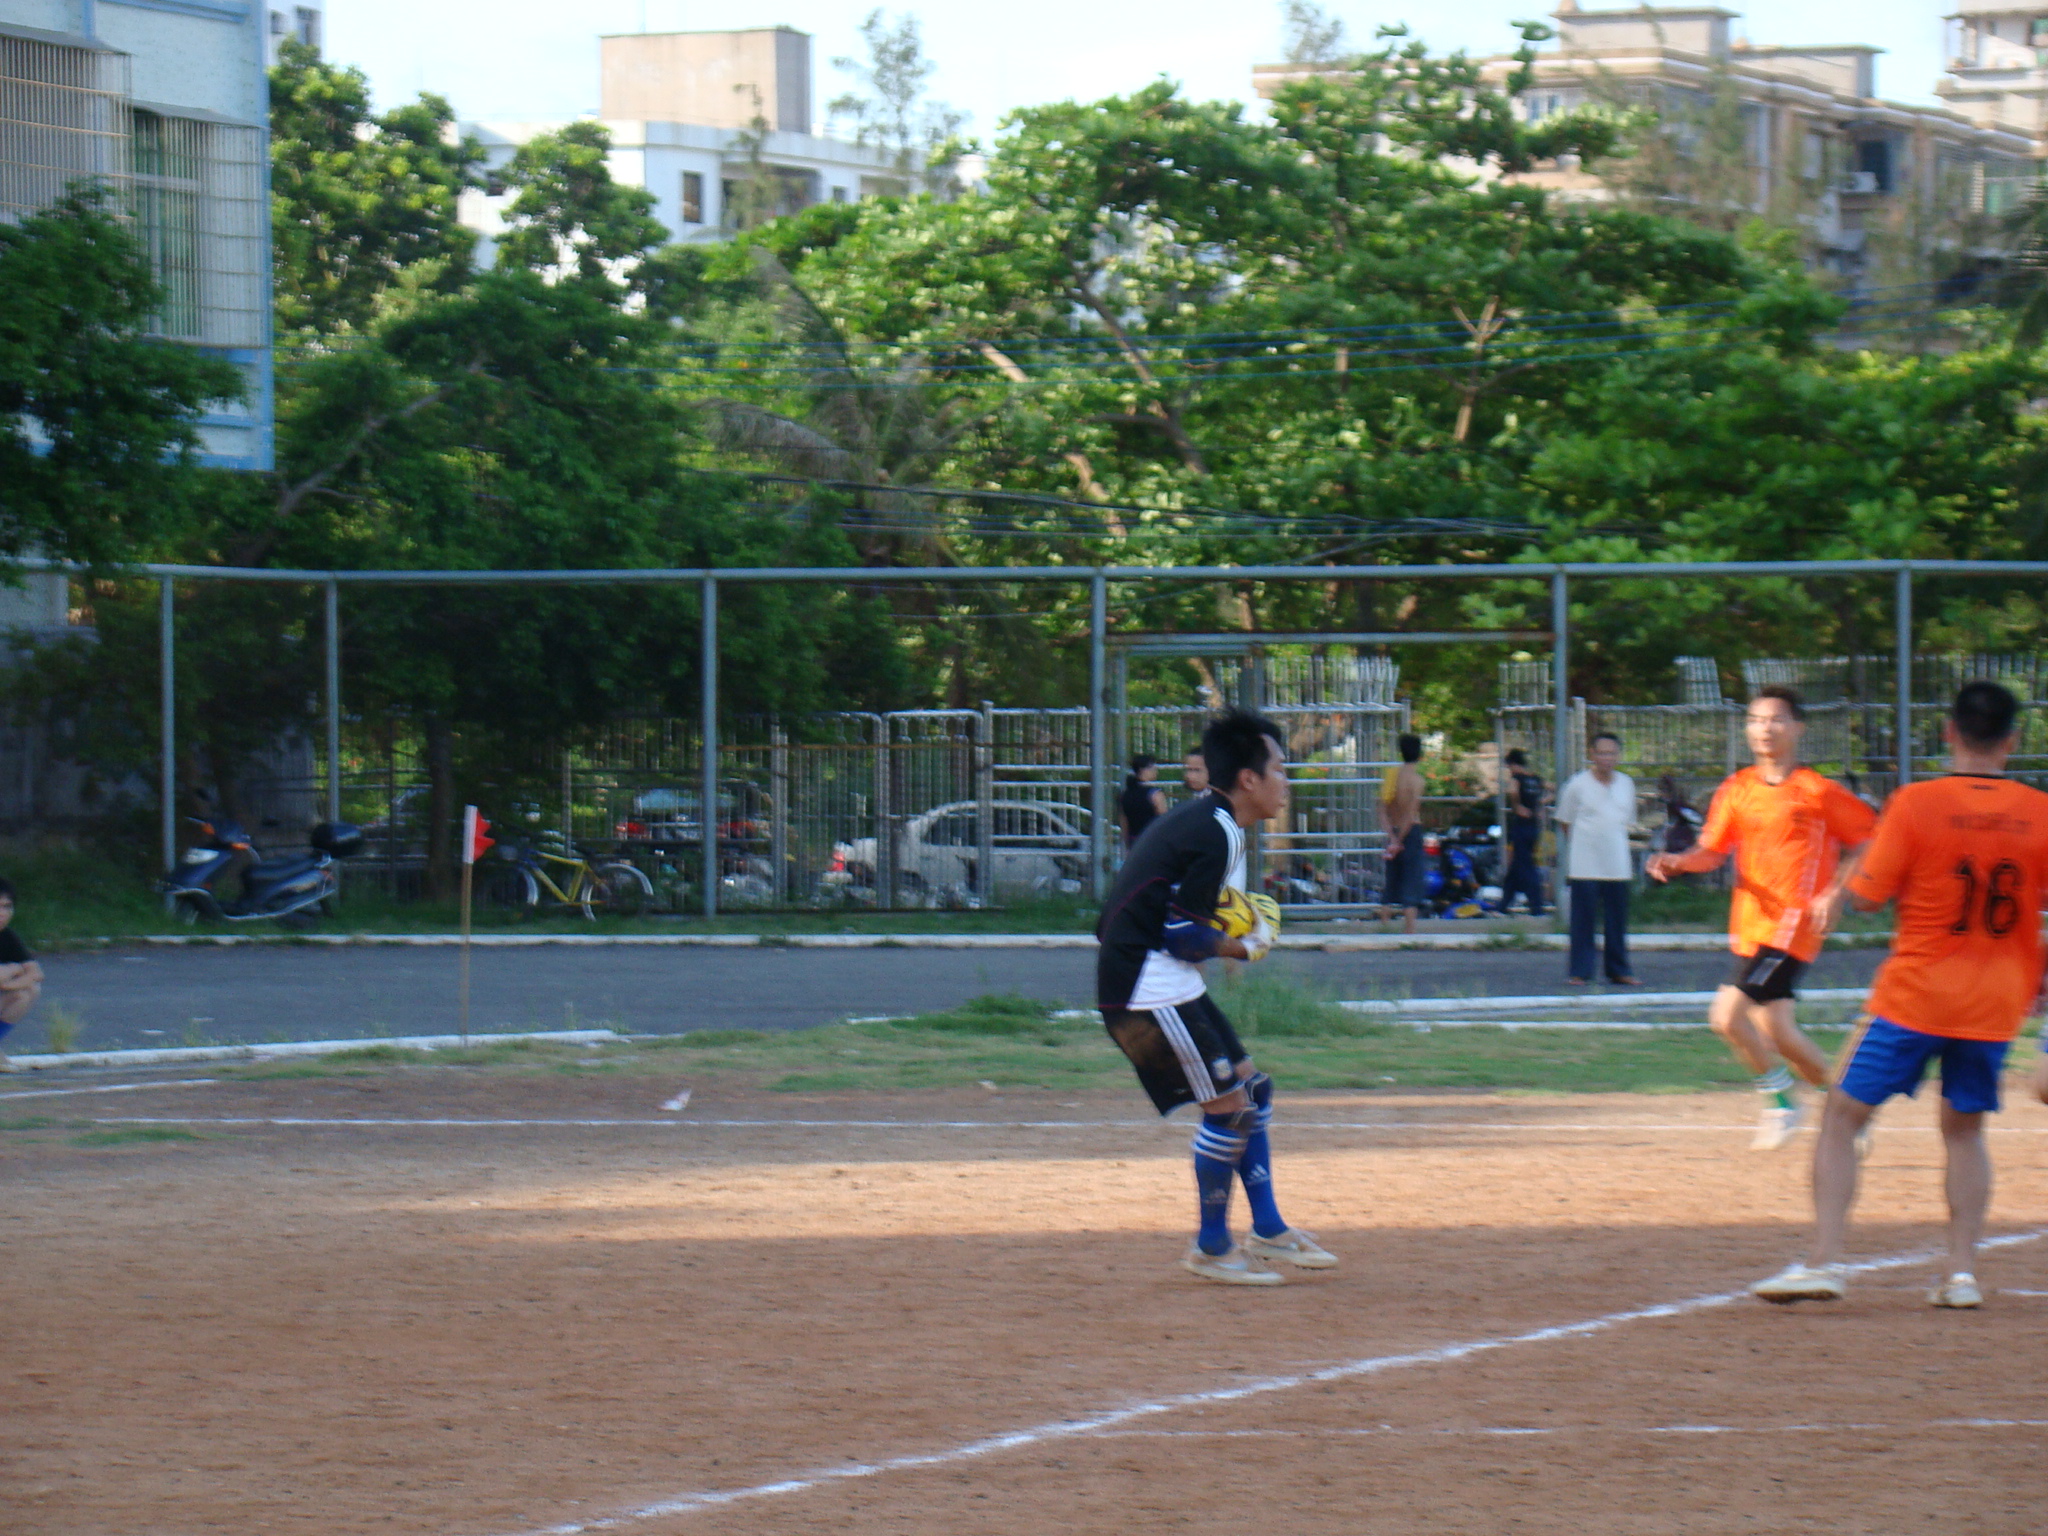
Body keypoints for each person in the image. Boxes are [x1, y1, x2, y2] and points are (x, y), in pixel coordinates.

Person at [1754, 682, 2048, 1309]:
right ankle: (1961, 1275)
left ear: (1950, 732)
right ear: (2013, 740)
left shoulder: (1916, 804)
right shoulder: (2039, 811)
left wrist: (1851, 883)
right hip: (1996, 1001)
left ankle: (1825, 1261)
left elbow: (1868, 896)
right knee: (1964, 1131)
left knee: (1842, 1116)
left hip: (1916, 994)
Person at [1097, 707, 1337, 1285]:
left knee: (1251, 1089)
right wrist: (1246, 946)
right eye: (1279, 768)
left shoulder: (1214, 822)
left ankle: (1269, 1228)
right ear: (1249, 779)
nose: (1286, 779)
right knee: (1228, 1109)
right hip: (1145, 991)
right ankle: (1211, 1246)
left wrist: (1230, 934)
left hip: (1163, 981)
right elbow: (1183, 937)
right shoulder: (1216, 830)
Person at [1647, 686, 1877, 1150]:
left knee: (1726, 1017)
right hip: (1751, 925)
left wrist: (1835, 892)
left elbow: (1870, 840)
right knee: (1780, 1033)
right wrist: (1678, 862)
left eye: (1775, 719)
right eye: (1755, 720)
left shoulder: (1817, 791)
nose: (1764, 729)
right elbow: (1712, 851)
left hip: (1792, 925)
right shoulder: (1738, 788)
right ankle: (1849, 1116)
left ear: (1798, 728)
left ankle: (1781, 1102)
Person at [1554, 732, 1640, 986]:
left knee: (1617, 920)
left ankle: (1619, 970)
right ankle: (1580, 971)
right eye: (1601, 753)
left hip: (1617, 864)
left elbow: (1627, 821)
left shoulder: (1626, 784)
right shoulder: (1577, 785)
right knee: (1583, 921)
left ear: (1618, 756)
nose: (1606, 758)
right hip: (1585, 864)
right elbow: (1565, 822)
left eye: (1611, 753)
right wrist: (1582, 845)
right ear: (1592, 754)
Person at [1381, 733, 1426, 935]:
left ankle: (1384, 926)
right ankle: (1410, 929)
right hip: (1410, 832)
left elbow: (1382, 809)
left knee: (1391, 880)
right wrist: (1400, 841)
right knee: (1411, 880)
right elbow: (1411, 813)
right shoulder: (1417, 781)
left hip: (1393, 829)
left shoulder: (1391, 777)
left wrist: (1392, 838)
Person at [0, 878, 44, 1071]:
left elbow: (35, 973)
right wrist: (13, 969)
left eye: (7, 907)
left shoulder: (7, 936)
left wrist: (7, 984)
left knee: (29, 991)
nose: (2, 913)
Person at [1499, 748, 1546, 917]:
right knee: (1516, 867)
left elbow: (1512, 791)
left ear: (1513, 764)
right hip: (1534, 826)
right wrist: (1540, 803)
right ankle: (1503, 904)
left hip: (1521, 826)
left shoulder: (1516, 779)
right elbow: (1553, 789)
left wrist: (1517, 805)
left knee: (1526, 866)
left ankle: (1537, 905)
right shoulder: (1535, 779)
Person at [1118, 754, 1168, 849]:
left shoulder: (1126, 795)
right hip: (1153, 841)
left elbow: (1124, 822)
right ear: (1143, 770)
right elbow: (1164, 820)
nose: (1156, 771)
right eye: (1153, 768)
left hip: (1134, 842)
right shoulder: (1155, 794)